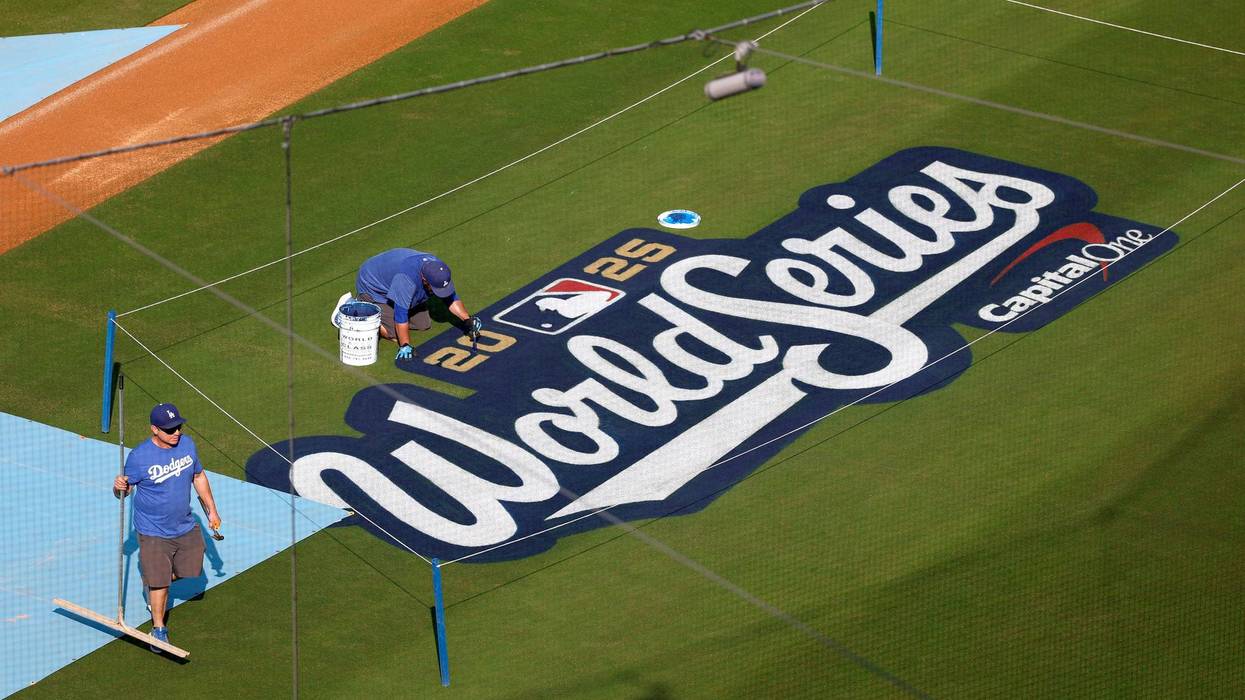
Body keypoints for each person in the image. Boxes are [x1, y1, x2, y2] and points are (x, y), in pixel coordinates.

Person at [112, 402, 220, 652]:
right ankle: (159, 629)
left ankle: (151, 579)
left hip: (184, 523)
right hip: (152, 530)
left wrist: (212, 509)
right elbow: (124, 492)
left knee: (192, 572)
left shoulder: (188, 445)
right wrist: (119, 487)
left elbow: (198, 476)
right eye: (170, 429)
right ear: (155, 430)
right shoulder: (139, 457)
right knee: (161, 582)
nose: (176, 433)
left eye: (178, 427)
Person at [332, 248, 483, 360]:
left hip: (395, 279)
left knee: (423, 325)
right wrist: (405, 346)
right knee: (393, 334)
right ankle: (356, 308)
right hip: (374, 286)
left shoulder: (438, 269)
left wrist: (467, 320)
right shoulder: (406, 281)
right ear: (424, 280)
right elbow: (401, 314)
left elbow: (451, 298)